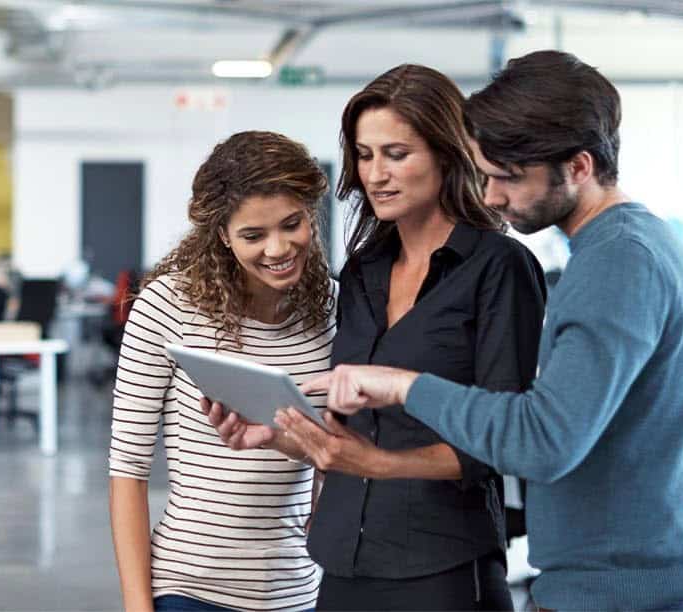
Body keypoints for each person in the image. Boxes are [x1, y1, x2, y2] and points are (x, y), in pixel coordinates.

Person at [281, 50, 683, 611]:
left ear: (579, 167)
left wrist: (403, 387)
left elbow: (541, 440)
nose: (491, 196)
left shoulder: (619, 261)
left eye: (508, 178)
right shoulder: (617, 251)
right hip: (596, 588)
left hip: (621, 595)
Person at [207, 64, 545, 611]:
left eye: (396, 154)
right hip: (344, 560)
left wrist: (379, 465)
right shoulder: (364, 270)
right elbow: (347, 440)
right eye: (365, 155)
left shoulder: (499, 268)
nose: (376, 174)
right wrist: (274, 436)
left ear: (446, 154)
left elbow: (503, 440)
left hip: (442, 566)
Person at [108, 130, 336, 612]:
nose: (278, 248)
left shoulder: (336, 309)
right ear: (223, 237)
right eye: (253, 236)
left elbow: (339, 451)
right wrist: (138, 606)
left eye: (291, 224)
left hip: (298, 590)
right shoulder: (167, 306)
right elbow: (128, 469)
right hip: (190, 588)